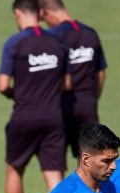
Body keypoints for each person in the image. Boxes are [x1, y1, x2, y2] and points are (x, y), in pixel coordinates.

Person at [0, 0, 70, 193]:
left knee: (15, 169)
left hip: (24, 117)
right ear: (40, 14)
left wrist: (17, 93)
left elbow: (3, 85)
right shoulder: (57, 42)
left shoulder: (15, 43)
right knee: (53, 175)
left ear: (18, 14)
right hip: (53, 117)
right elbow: (67, 84)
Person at [39, 0, 107, 159]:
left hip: (59, 107)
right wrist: (92, 98)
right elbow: (101, 74)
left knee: (55, 164)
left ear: (46, 13)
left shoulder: (52, 37)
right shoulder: (90, 33)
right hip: (87, 106)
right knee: (90, 162)